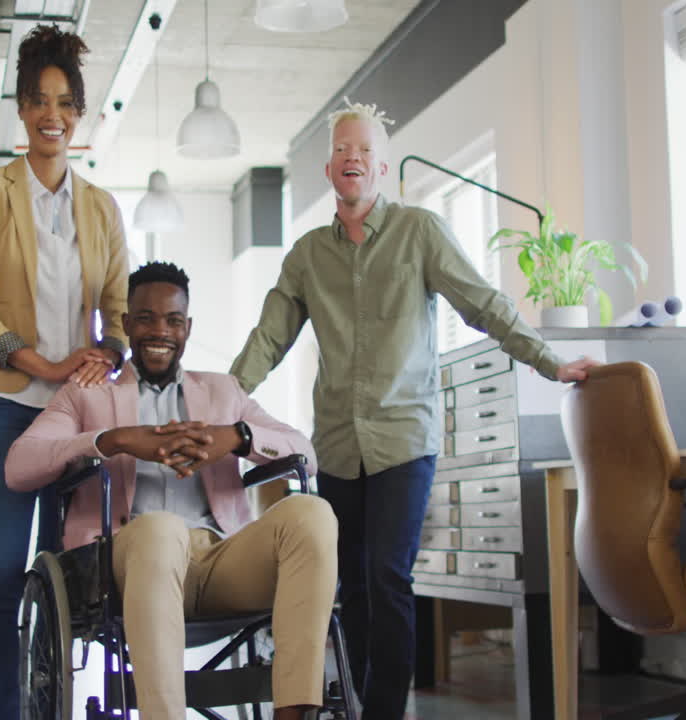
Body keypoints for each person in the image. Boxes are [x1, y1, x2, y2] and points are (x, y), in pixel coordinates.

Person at [229, 100, 598, 720]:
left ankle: (382, 713)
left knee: (387, 576)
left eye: (365, 151)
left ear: (383, 169)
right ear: (329, 169)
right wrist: (220, 405)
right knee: (349, 587)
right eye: (344, 150)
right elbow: (268, 339)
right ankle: (355, 699)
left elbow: (481, 302)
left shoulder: (419, 232)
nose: (353, 159)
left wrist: (548, 361)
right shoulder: (307, 256)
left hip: (405, 440)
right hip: (339, 447)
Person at [6, 262, 337, 720]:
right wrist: (114, 440)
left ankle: (296, 713)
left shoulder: (224, 392)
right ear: (124, 325)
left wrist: (237, 436)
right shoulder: (87, 396)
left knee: (313, 513)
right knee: (161, 529)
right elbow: (18, 467)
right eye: (145, 318)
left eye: (173, 320)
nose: (159, 331)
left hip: (221, 560)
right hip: (127, 563)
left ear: (187, 328)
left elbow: (306, 453)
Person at [0, 25, 130, 719]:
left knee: (65, 577)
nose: (52, 113)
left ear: (79, 114)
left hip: (71, 417)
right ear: (22, 109)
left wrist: (105, 353)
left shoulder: (101, 208)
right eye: (39, 100)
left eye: (65, 102)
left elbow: (117, 312)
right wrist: (40, 361)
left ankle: (53, 701)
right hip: (4, 406)